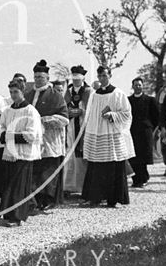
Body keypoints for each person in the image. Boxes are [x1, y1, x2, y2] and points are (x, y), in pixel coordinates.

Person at [82, 66, 135, 207]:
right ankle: (96, 197)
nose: (102, 78)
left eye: (104, 75)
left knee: (113, 166)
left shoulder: (118, 93)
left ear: (110, 75)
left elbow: (127, 114)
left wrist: (113, 115)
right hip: (96, 134)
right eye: (100, 76)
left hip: (112, 134)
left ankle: (113, 199)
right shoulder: (94, 95)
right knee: (96, 166)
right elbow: (90, 115)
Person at [24, 60, 69, 210]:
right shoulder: (28, 95)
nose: (38, 79)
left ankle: (48, 200)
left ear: (47, 78)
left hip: (49, 140)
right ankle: (34, 201)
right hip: (33, 141)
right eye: (36, 76)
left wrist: (45, 120)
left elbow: (64, 119)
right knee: (35, 172)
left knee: (47, 172)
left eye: (41, 77)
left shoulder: (55, 95)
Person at [0, 78, 43, 226]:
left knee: (20, 185)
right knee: (9, 184)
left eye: (16, 92)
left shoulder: (30, 111)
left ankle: (17, 217)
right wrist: (6, 135)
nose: (13, 95)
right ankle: (9, 214)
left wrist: (10, 136)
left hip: (24, 153)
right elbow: (2, 129)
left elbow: (32, 135)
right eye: (11, 92)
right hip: (10, 153)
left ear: (22, 91)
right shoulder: (7, 110)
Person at [63, 65, 90, 195]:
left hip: (84, 126)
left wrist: (81, 111)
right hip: (71, 126)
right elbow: (63, 106)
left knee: (82, 155)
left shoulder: (89, 91)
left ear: (83, 78)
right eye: (73, 78)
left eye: (78, 78)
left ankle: (83, 187)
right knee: (70, 154)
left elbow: (91, 109)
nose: (76, 80)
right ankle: (69, 187)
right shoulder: (68, 91)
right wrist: (69, 112)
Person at [128, 77, 159, 188]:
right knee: (133, 156)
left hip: (145, 132)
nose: (138, 87)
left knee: (143, 156)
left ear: (143, 86)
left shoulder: (150, 100)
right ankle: (135, 179)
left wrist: (152, 128)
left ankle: (143, 178)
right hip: (132, 131)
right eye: (135, 85)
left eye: (139, 85)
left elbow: (156, 116)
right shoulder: (128, 100)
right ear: (132, 86)